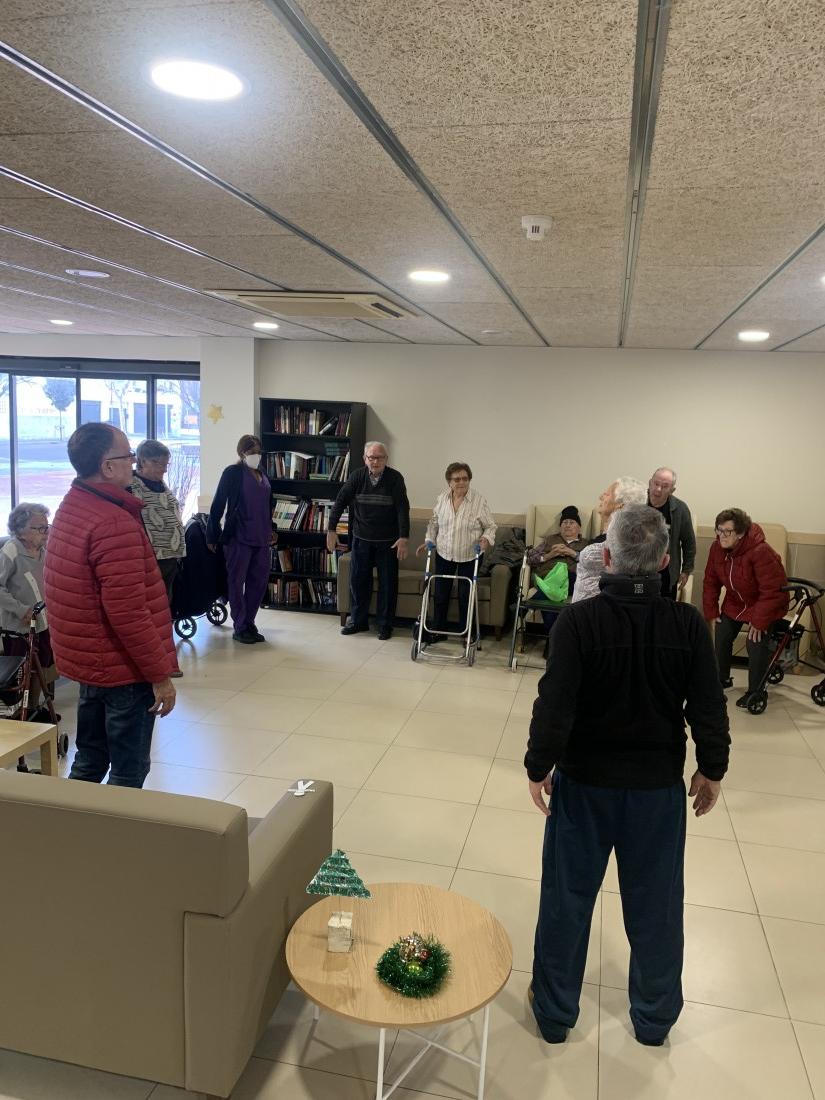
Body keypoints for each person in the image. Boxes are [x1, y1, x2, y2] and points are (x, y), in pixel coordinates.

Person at [525, 505, 730, 1047]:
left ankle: (554, 1014)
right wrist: (712, 768)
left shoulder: (578, 623)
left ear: (608, 558)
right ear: (663, 562)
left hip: (584, 786)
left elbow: (555, 706)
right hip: (656, 791)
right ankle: (654, 1021)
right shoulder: (687, 624)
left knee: (567, 900)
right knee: (656, 906)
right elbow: (708, 706)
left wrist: (538, 766)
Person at [43, 422, 177, 788]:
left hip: (92, 662)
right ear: (107, 466)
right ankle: (113, 829)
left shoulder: (73, 505)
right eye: (128, 455)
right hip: (123, 670)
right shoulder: (113, 523)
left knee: (89, 759)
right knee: (128, 772)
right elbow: (128, 613)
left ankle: (69, 822)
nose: (134, 462)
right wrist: (160, 675)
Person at [703, 508, 789, 708]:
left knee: (754, 642)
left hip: (764, 604)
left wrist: (758, 622)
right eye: (719, 530)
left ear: (740, 533)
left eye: (727, 531)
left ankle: (755, 691)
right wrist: (711, 611)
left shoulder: (760, 551)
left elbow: (772, 591)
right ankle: (721, 679)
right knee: (722, 633)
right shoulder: (716, 548)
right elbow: (710, 581)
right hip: (736, 603)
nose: (721, 536)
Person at [327, 440, 410, 641]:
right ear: (365, 459)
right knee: (358, 581)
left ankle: (385, 625)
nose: (375, 461)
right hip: (361, 539)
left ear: (386, 459)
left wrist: (403, 537)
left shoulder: (395, 478)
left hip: (388, 541)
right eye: (371, 457)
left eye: (379, 457)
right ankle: (358, 621)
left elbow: (402, 508)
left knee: (387, 585)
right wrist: (331, 529)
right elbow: (340, 501)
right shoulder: (357, 476)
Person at [207, 434, 276, 644]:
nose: (256, 456)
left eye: (259, 452)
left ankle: (249, 622)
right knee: (236, 583)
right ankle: (240, 626)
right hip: (238, 537)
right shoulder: (233, 473)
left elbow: (267, 506)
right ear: (242, 453)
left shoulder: (263, 474)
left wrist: (272, 528)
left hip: (261, 537)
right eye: (251, 452)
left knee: (258, 583)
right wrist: (212, 534)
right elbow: (218, 504)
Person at [416, 462, 496, 643]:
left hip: (470, 555)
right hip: (444, 553)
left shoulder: (479, 501)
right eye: (457, 479)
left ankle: (467, 633)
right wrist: (429, 539)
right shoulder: (442, 498)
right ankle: (438, 630)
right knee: (441, 594)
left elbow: (490, 526)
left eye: (465, 479)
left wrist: (485, 539)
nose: (461, 482)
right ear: (449, 482)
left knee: (465, 596)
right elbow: (434, 523)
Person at [0, 502, 56, 708]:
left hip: (43, 621)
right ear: (21, 530)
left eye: (46, 526)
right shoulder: (11, 551)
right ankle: (18, 714)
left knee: (42, 664)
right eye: (40, 528)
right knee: (21, 670)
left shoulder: (44, 550)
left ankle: (33, 708)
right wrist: (21, 609)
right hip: (18, 626)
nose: (45, 532)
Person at [572, 477, 648, 602]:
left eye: (607, 494)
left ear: (621, 505)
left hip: (599, 611)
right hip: (584, 609)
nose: (601, 497)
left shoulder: (625, 545)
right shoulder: (618, 539)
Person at [131, 440, 186, 604]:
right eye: (159, 464)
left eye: (166, 464)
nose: (164, 469)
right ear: (142, 461)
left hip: (170, 555)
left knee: (166, 601)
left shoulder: (159, 483)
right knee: (153, 602)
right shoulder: (131, 486)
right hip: (151, 558)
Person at [527, 505, 589, 633]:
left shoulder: (586, 544)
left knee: (566, 575)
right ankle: (552, 639)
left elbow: (591, 562)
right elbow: (529, 558)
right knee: (552, 596)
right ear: (560, 526)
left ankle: (532, 603)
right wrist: (549, 555)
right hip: (547, 578)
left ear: (579, 527)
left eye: (571, 522)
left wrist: (572, 553)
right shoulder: (549, 540)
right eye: (564, 522)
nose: (567, 525)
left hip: (571, 581)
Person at [647, 467, 696, 599]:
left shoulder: (680, 509)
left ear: (672, 490)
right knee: (639, 606)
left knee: (665, 607)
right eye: (656, 483)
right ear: (650, 483)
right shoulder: (638, 502)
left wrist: (686, 570)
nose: (658, 489)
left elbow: (689, 542)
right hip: (639, 570)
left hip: (666, 571)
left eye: (665, 486)